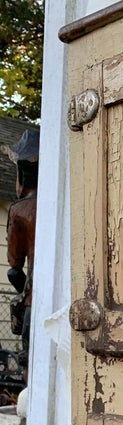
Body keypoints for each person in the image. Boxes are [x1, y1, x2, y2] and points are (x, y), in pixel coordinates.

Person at [4, 128, 39, 375]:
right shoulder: (64, 204)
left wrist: (24, 292)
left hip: (34, 300)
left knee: (31, 366)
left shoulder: (20, 210)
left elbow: (14, 269)